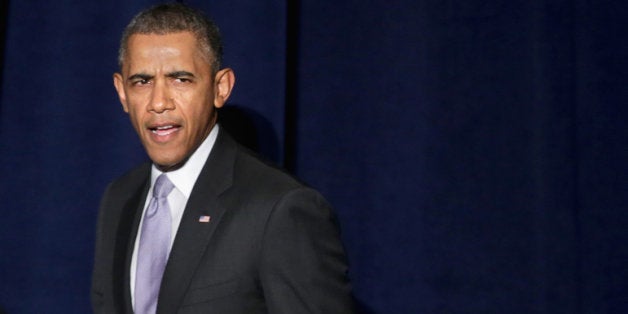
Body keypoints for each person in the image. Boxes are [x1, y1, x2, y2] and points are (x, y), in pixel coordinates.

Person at [91, 3, 354, 314]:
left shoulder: (281, 208)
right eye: (142, 81)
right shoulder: (120, 197)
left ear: (220, 88)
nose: (158, 102)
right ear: (122, 93)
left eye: (180, 79)